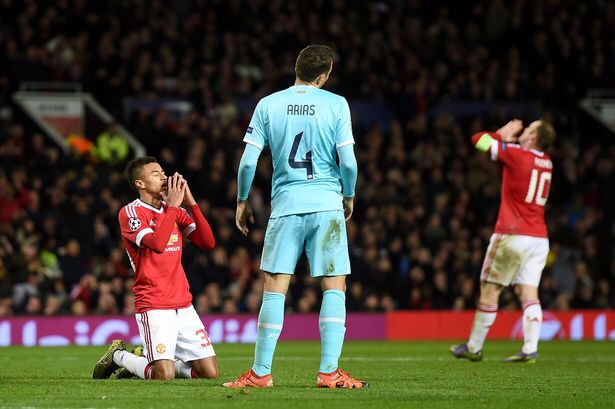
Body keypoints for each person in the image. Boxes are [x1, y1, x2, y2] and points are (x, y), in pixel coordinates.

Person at [223, 45, 366, 389]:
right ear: (324, 75)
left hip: (285, 206)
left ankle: (260, 374)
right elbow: (348, 163)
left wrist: (242, 201)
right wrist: (348, 195)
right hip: (327, 205)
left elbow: (247, 162)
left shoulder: (268, 104)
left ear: (297, 68)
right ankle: (329, 372)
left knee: (275, 289)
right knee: (334, 286)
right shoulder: (337, 104)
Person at [92, 156, 219, 380]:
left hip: (183, 302)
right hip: (153, 303)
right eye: (155, 173)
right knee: (163, 377)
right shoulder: (131, 213)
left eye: (163, 172)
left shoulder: (174, 211)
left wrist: (191, 203)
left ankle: (149, 361)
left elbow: (208, 242)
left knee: (210, 374)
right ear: (139, 183)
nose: (163, 177)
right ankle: (119, 356)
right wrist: (174, 207)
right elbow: (157, 244)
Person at [450, 119, 556, 363]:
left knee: (490, 290)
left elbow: (478, 140)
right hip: (539, 238)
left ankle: (474, 347)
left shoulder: (518, 155)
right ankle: (530, 348)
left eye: (529, 129)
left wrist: (499, 134)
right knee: (528, 292)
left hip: (512, 234)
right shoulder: (547, 162)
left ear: (533, 138)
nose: (524, 130)